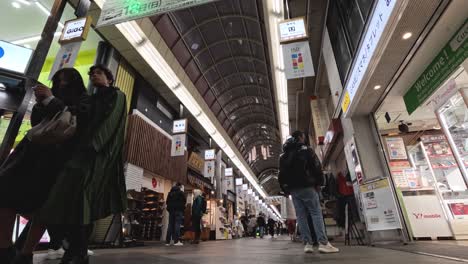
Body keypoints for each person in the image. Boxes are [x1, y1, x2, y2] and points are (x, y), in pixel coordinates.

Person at [17, 64, 128, 264]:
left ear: (109, 78)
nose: (94, 75)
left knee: (76, 201)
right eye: (92, 73)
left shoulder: (116, 96)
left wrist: (92, 148)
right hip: (79, 154)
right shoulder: (93, 98)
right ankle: (72, 249)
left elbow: (109, 124)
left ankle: (75, 250)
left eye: (99, 73)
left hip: (91, 156)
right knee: (70, 203)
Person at [0, 68, 91, 264]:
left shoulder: (84, 100)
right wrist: (44, 103)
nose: (60, 83)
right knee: (5, 195)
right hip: (30, 154)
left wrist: (51, 101)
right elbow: (36, 121)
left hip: (54, 160)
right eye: (57, 79)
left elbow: (77, 122)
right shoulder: (57, 96)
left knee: (40, 208)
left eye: (65, 79)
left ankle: (25, 253)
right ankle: (6, 248)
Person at [278, 131, 339, 254]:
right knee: (316, 213)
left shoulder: (284, 155)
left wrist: (285, 190)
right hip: (307, 186)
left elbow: (281, 174)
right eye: (304, 137)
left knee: (301, 216)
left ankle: (307, 244)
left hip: (294, 190)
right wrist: (319, 183)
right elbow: (316, 166)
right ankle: (323, 243)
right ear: (300, 137)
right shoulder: (307, 150)